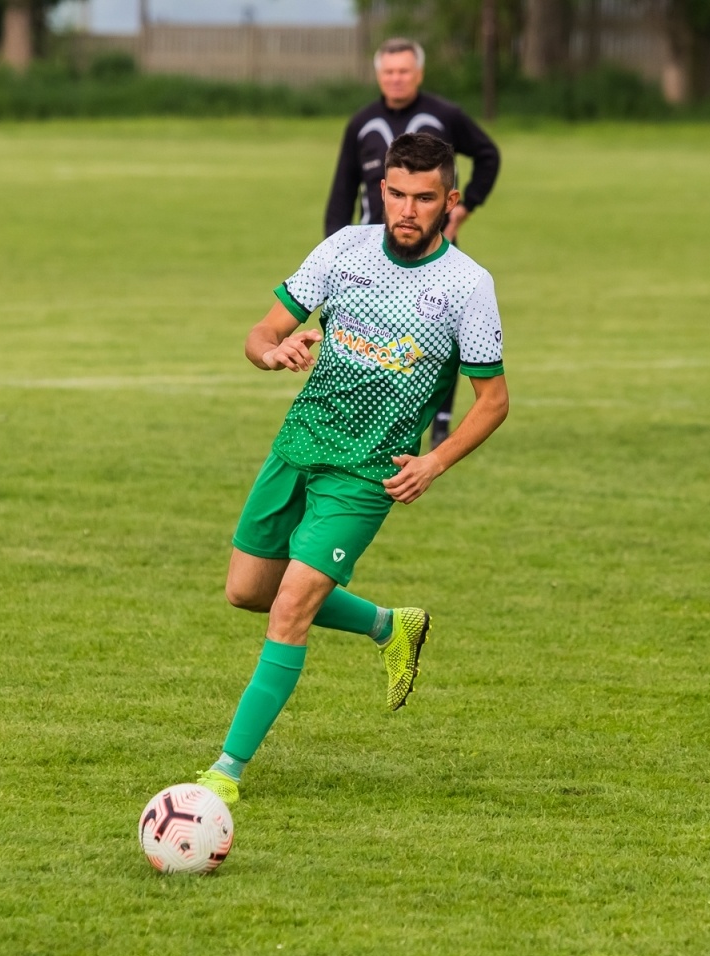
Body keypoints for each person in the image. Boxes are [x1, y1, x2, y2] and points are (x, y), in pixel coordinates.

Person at [196, 132, 510, 806]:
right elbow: (259, 333)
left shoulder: (466, 286)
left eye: (423, 198)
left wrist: (434, 461)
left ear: (449, 201)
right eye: (395, 193)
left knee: (289, 609)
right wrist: (273, 352)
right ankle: (388, 625)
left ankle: (225, 772)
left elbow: (494, 401)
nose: (405, 208)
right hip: (298, 445)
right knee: (247, 590)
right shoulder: (343, 249)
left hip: (367, 470)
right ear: (380, 190)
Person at [326, 37, 501, 448]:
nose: (397, 78)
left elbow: (488, 155)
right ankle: (368, 413)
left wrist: (466, 206)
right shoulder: (361, 122)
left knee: (442, 334)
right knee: (371, 336)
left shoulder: (445, 115)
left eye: (404, 71)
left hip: (429, 249)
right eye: (389, 72)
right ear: (378, 75)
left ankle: (441, 417)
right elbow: (342, 191)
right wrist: (334, 250)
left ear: (418, 74)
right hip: (372, 252)